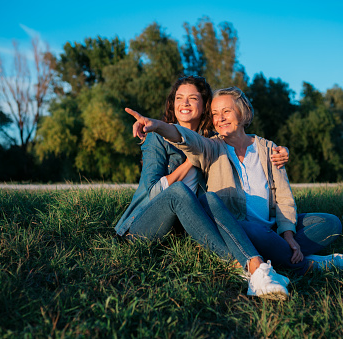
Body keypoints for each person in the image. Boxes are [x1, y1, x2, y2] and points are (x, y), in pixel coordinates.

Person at [126, 86, 343, 277]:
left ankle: (275, 254)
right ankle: (304, 265)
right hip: (239, 228)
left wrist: (289, 235)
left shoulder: (268, 149)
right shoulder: (212, 147)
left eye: (226, 111)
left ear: (243, 113)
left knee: (331, 224)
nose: (220, 118)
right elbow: (187, 139)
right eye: (215, 113)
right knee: (251, 230)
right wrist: (157, 125)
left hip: (271, 228)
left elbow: (284, 198)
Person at [115, 76, 291, 300]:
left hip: (186, 230)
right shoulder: (157, 139)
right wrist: (192, 159)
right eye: (179, 98)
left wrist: (280, 151)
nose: (184, 103)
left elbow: (246, 144)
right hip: (142, 226)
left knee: (209, 199)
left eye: (192, 98)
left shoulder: (212, 142)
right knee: (179, 192)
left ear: (204, 105)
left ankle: (273, 263)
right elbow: (153, 192)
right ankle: (249, 266)